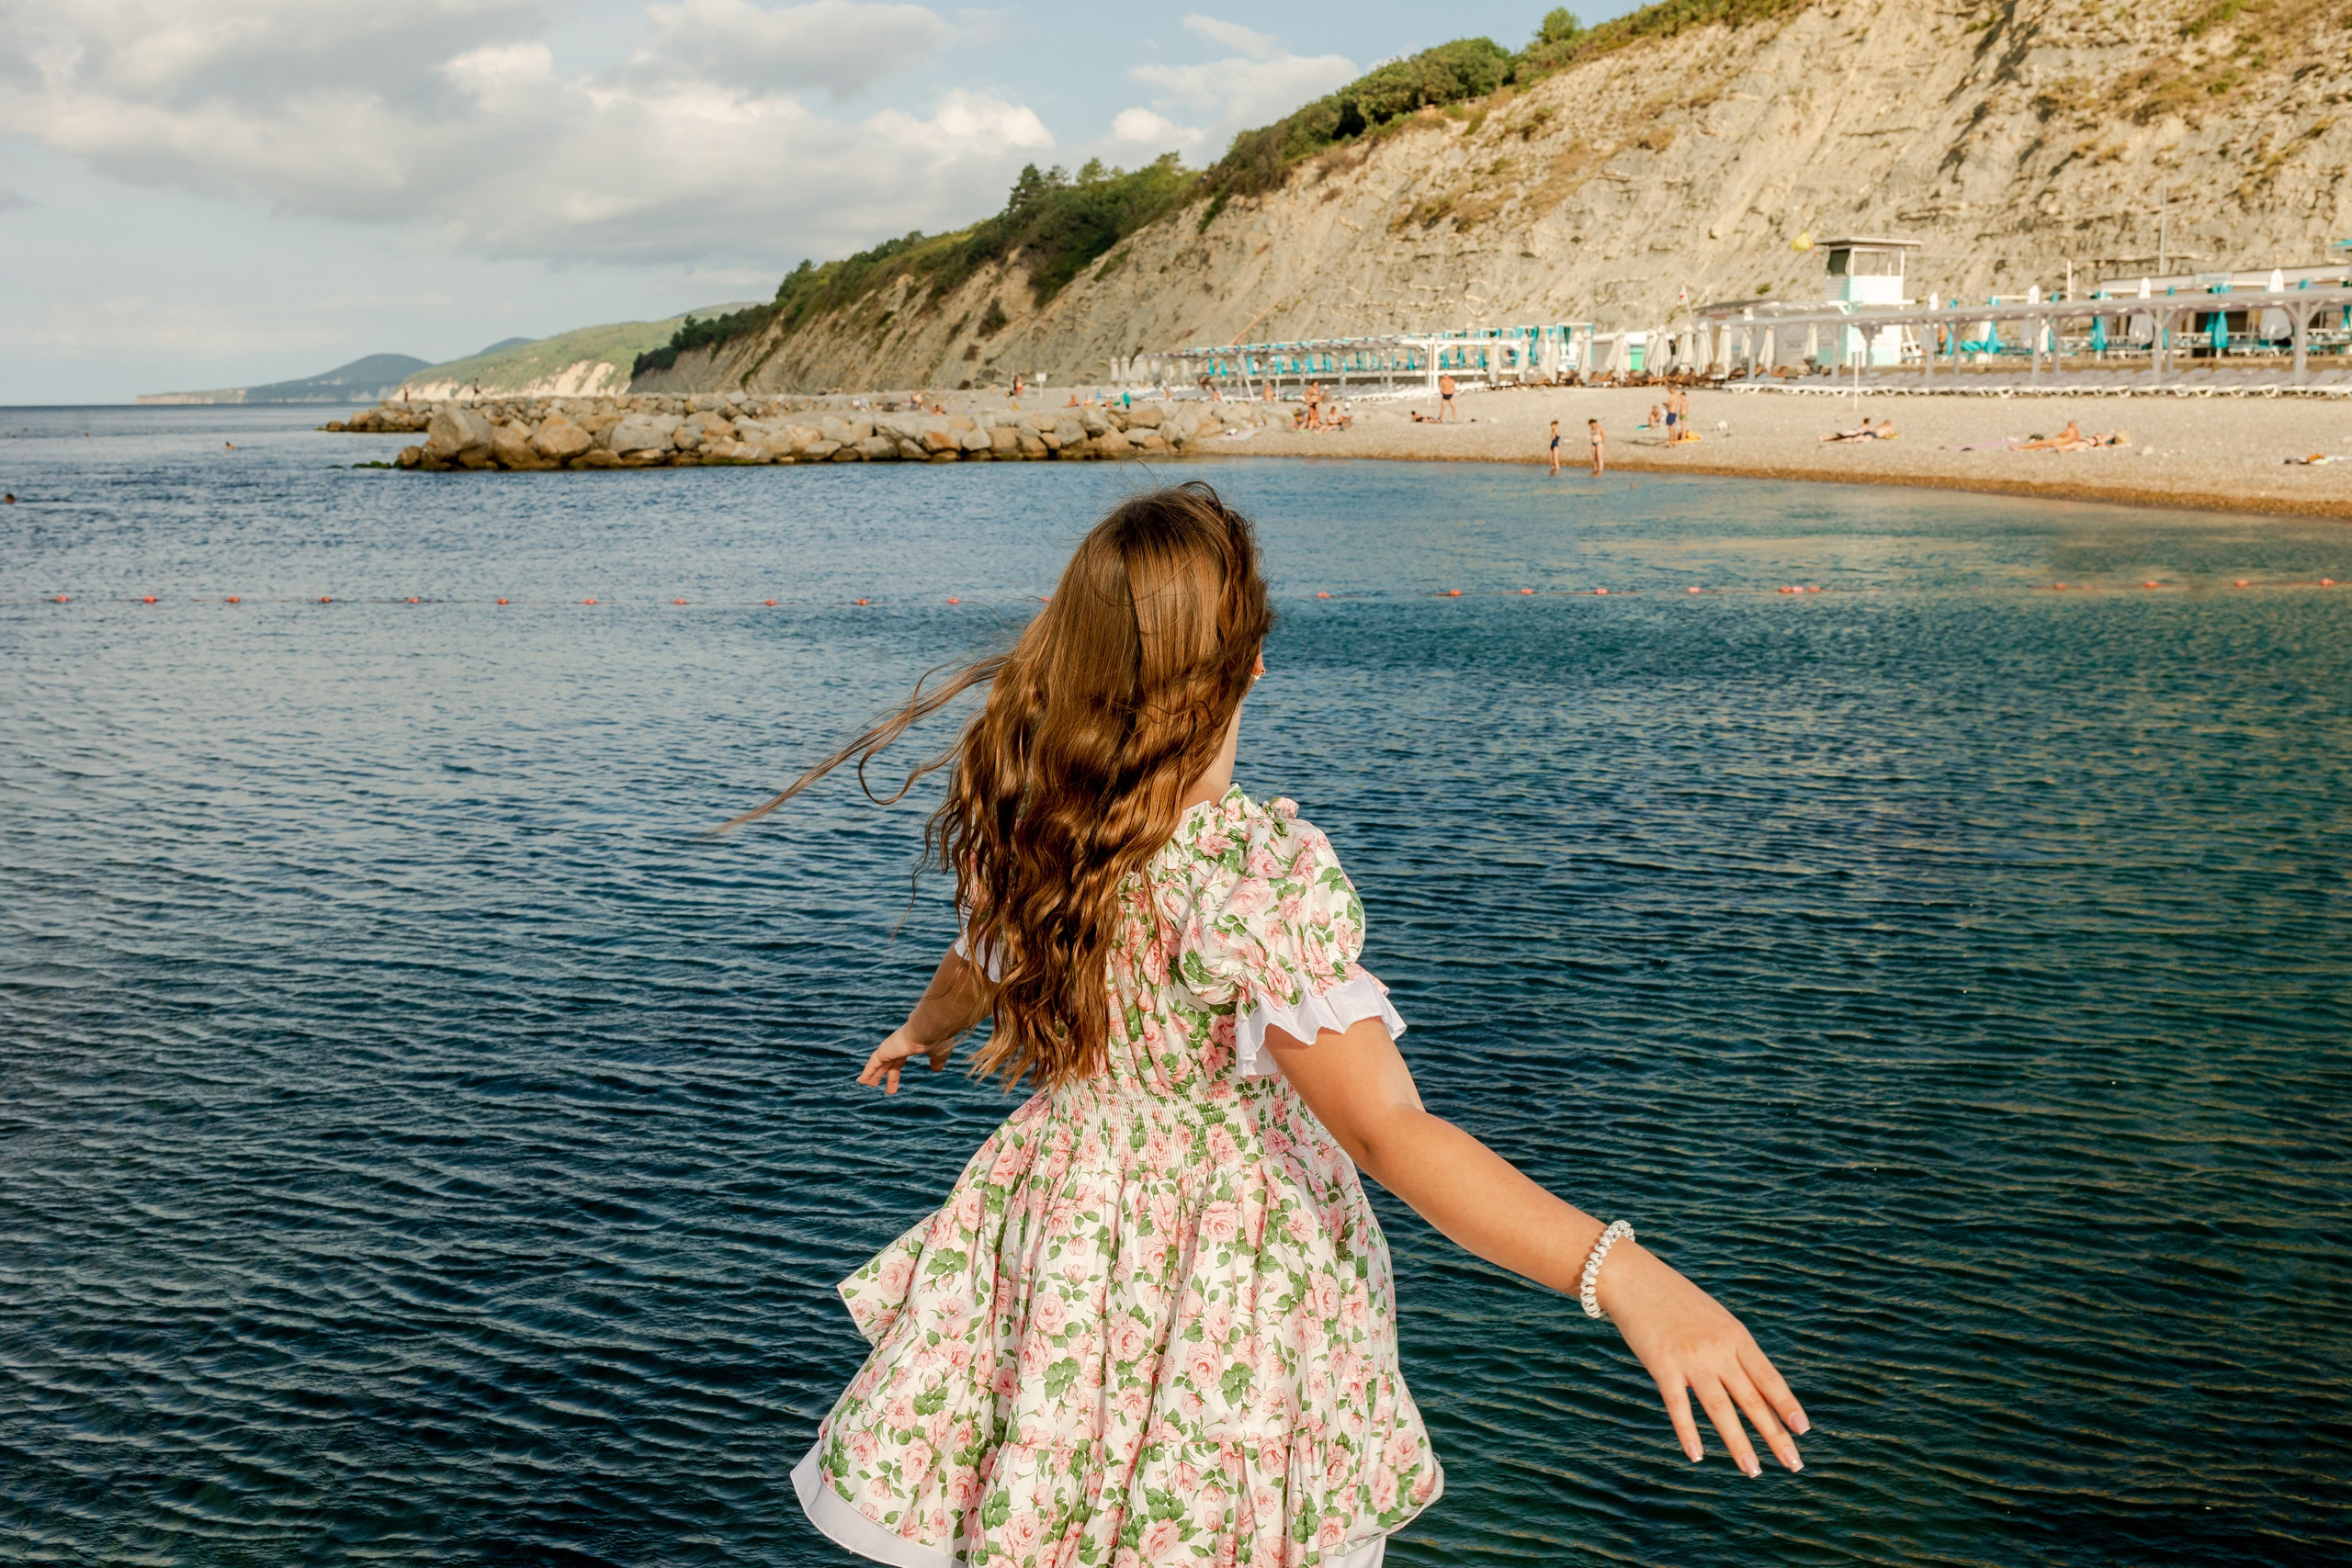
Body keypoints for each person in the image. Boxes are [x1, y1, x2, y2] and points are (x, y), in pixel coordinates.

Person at [730, 485, 1805, 1568]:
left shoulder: (1042, 825)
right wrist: (1624, 1276)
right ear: (1250, 663)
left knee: (1062, 1488)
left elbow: (982, 957)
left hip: (1063, 1232)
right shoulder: (1254, 877)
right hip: (1226, 1268)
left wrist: (922, 1031)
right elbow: (1387, 1133)